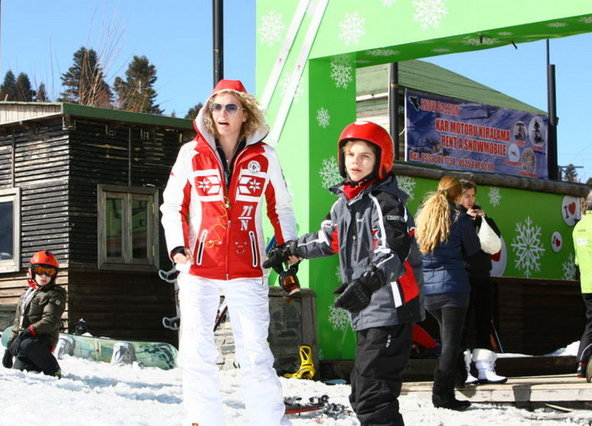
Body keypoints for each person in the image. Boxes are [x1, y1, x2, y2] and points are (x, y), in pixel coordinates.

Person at [265, 121, 423, 426]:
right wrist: (291, 249)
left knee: (373, 395)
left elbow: (393, 250)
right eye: (350, 154)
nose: (355, 161)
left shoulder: (386, 203)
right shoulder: (345, 203)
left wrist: (368, 281)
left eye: (365, 156)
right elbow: (328, 239)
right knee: (362, 392)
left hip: (392, 308)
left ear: (380, 161)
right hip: (369, 310)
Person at [160, 79, 296, 426]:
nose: (222, 113)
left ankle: (268, 422)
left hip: (248, 268)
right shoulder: (191, 153)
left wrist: (288, 247)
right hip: (199, 267)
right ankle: (203, 420)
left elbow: (280, 207)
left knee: (255, 352)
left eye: (231, 107)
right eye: (216, 107)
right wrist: (177, 247)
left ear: (244, 113)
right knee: (196, 350)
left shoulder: (265, 156)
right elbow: (172, 204)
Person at [415, 175, 480, 410]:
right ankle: (442, 395)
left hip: (428, 291)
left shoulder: (424, 216)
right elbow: (473, 249)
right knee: (451, 343)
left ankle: (460, 377)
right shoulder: (459, 218)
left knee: (450, 338)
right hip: (453, 288)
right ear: (457, 195)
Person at [456, 179, 507, 385]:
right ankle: (463, 369)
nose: (470, 200)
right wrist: (466, 220)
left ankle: (485, 366)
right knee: (462, 324)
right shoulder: (455, 218)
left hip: (483, 275)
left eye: (473, 196)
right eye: (466, 196)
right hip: (462, 276)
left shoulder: (481, 217)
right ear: (457, 197)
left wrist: (484, 220)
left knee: (483, 320)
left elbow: (494, 244)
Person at [2, 250, 66, 377]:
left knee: (28, 344)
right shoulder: (27, 294)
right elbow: (19, 322)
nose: (44, 276)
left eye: (49, 272)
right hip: (25, 339)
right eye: (40, 270)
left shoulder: (55, 294)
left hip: (43, 339)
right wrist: (10, 347)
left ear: (54, 275)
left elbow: (50, 320)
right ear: (32, 271)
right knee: (21, 372)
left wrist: (29, 331)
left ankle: (54, 369)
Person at [573, 191, 592, 378]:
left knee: (591, 323)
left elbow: (578, 260)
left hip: (587, 283)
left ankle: (582, 363)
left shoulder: (579, 226)